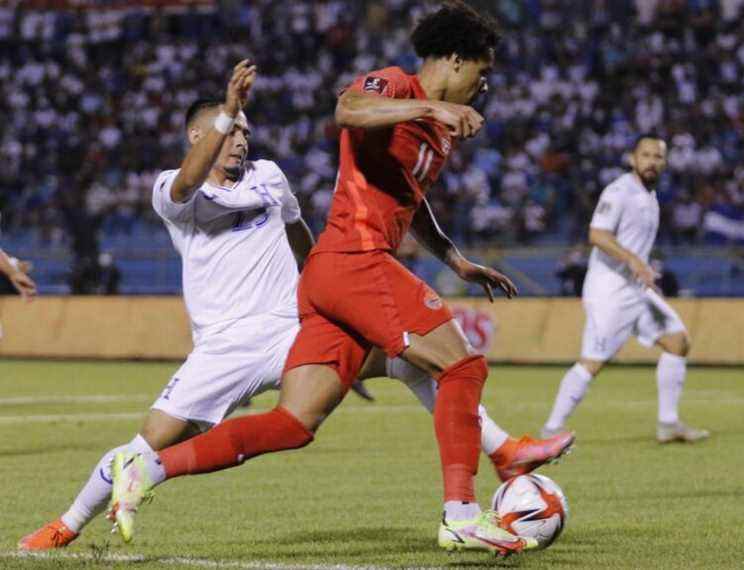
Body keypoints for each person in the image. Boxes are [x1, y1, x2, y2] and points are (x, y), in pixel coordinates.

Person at [20, 56, 572, 551]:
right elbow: (190, 182)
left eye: (244, 131)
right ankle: (66, 524)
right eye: (231, 130)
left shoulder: (269, 177)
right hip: (226, 345)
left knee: (412, 361)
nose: (241, 139)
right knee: (147, 444)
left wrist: (338, 312)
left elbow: (302, 236)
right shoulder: (174, 190)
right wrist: (226, 112)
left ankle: (502, 453)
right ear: (199, 133)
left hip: (292, 323)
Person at [541, 135, 709, 444]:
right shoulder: (619, 191)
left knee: (677, 342)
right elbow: (597, 234)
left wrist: (644, 273)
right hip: (610, 292)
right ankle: (550, 430)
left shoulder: (650, 195)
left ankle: (668, 424)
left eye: (658, 156)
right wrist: (633, 260)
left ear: (665, 163)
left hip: (636, 291)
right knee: (593, 362)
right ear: (633, 158)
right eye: (645, 155)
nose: (651, 162)